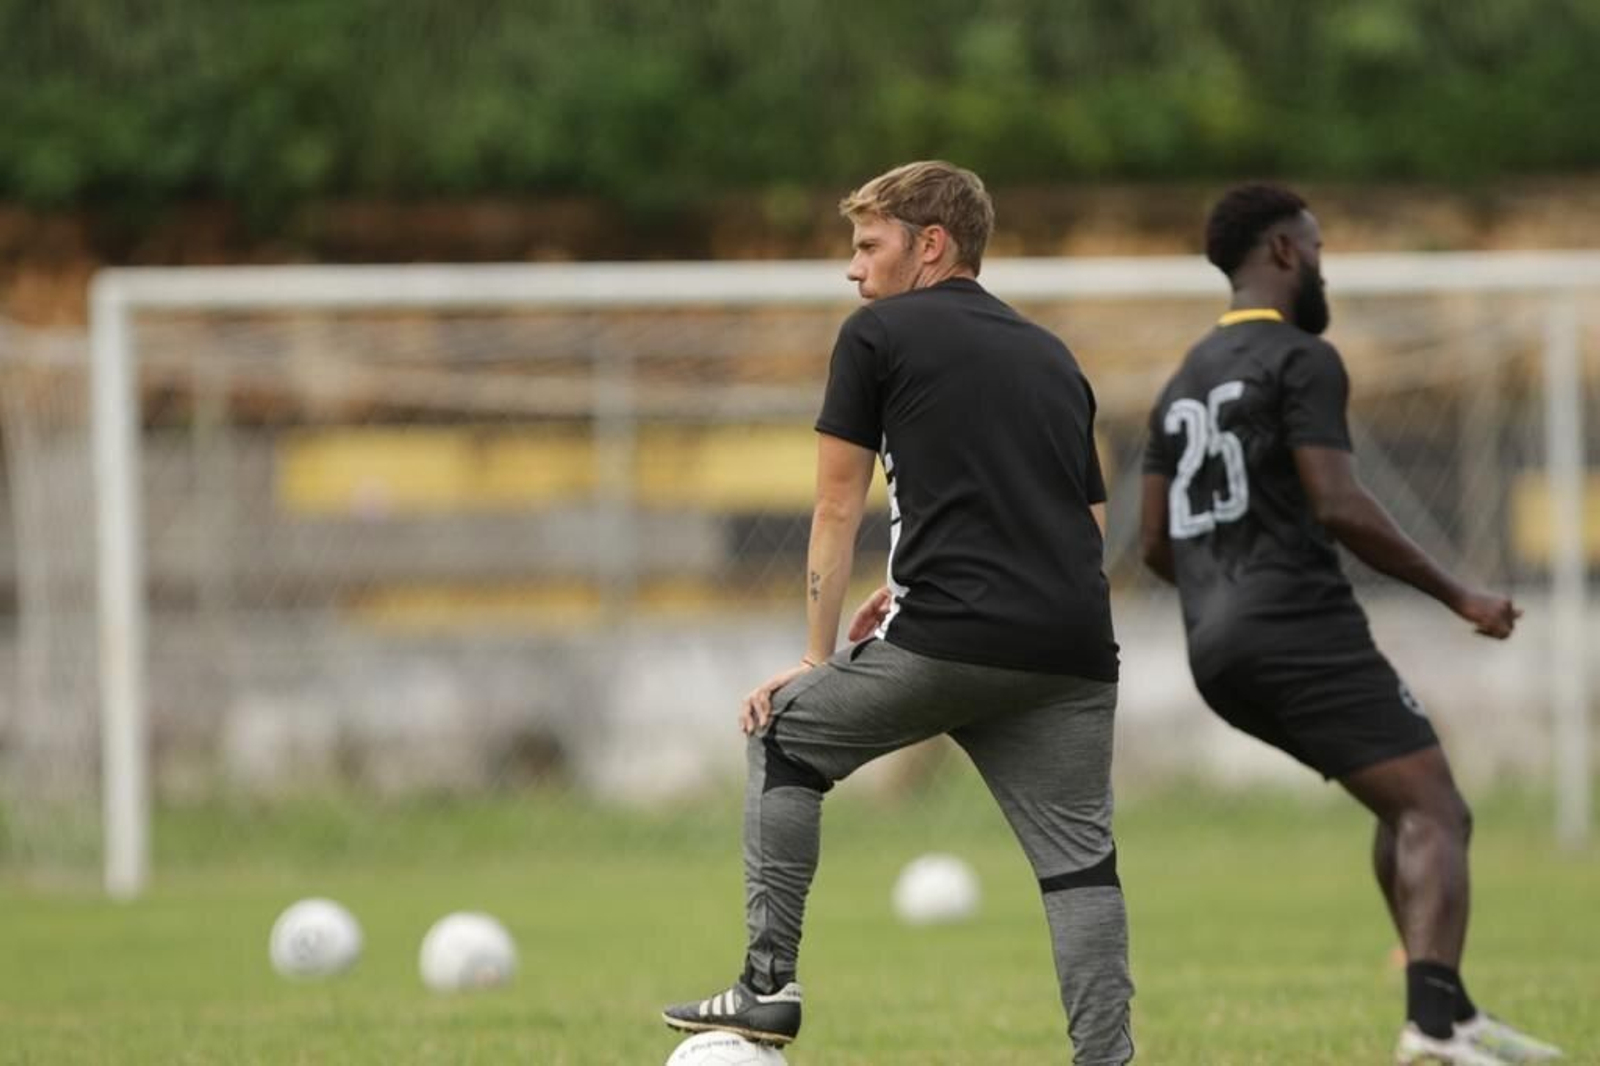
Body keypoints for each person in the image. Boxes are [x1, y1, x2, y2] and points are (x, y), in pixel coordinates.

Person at [662, 160, 1135, 1063]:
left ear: (930, 245)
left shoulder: (875, 337)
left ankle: (766, 988)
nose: (853, 268)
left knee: (784, 735)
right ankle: (1107, 1059)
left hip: (951, 636)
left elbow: (837, 505)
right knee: (1080, 868)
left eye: (866, 244)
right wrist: (925, 578)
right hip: (1072, 645)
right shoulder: (1052, 353)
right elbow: (1088, 524)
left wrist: (813, 657)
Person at [1139, 183, 1564, 1065]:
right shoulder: (1301, 358)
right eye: (1317, 247)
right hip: (1297, 625)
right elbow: (1339, 502)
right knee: (1437, 809)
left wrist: (1226, 593)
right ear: (1285, 252)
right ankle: (1435, 1027)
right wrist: (1461, 595)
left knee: (1402, 799)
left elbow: (1152, 544)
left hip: (1214, 646)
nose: (1323, 263)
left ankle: (1450, 1010)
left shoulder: (1180, 380)